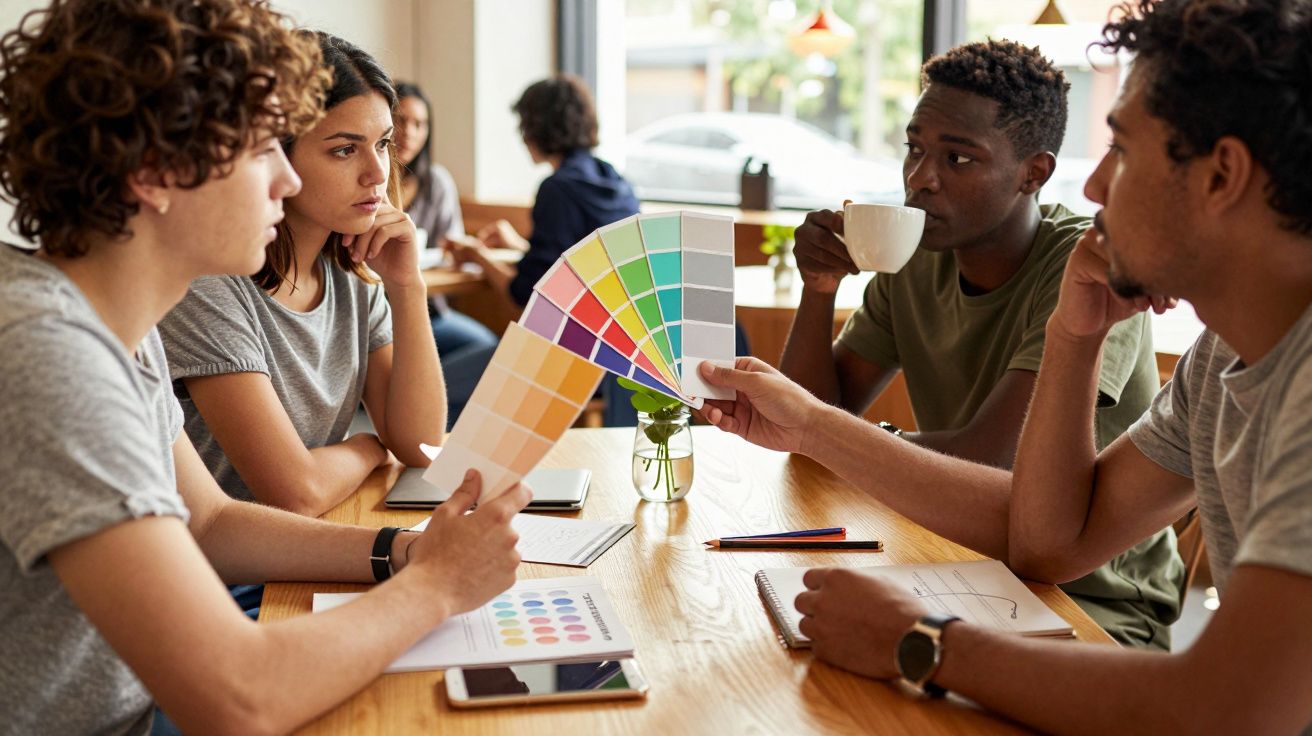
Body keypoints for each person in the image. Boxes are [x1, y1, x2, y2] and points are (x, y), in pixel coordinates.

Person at [698, 0, 1312, 731]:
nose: (1094, 187)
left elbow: (1228, 711)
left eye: (1122, 149)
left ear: (1221, 176)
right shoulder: (1218, 362)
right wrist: (1072, 333)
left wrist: (922, 643)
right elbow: (1050, 542)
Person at [0, 2, 527, 734]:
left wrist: (406, 551)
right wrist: (436, 586)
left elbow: (209, 521)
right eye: (260, 149)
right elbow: (238, 698)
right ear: (156, 171)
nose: (285, 179)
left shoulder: (114, 323)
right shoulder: (45, 352)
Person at [779, 40, 1180, 648]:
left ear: (1033, 173)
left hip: (1091, 603)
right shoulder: (916, 259)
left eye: (958, 159)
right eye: (914, 149)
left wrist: (835, 437)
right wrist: (819, 288)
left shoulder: (1085, 273)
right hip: (958, 563)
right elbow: (806, 427)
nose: (921, 179)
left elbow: (993, 459)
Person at [159, 35, 446, 518]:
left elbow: (420, 447)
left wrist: (406, 286)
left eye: (382, 144)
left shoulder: (353, 274)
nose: (377, 173)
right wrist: (368, 448)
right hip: (235, 576)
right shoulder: (211, 285)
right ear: (273, 155)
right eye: (343, 150)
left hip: (306, 547)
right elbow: (296, 492)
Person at [449, 73, 645, 424]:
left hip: (571, 358)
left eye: (523, 124)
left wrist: (479, 255)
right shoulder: (614, 180)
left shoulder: (557, 189)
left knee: (441, 388)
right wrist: (519, 245)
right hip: (625, 354)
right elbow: (579, 266)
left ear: (537, 128)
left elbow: (526, 295)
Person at [393, 80, 497, 425]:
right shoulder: (368, 179)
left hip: (431, 313)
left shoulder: (436, 182)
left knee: (494, 351)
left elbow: (450, 251)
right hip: (376, 318)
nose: (409, 132)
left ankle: (424, 417)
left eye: (420, 124)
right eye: (401, 120)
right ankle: (408, 409)